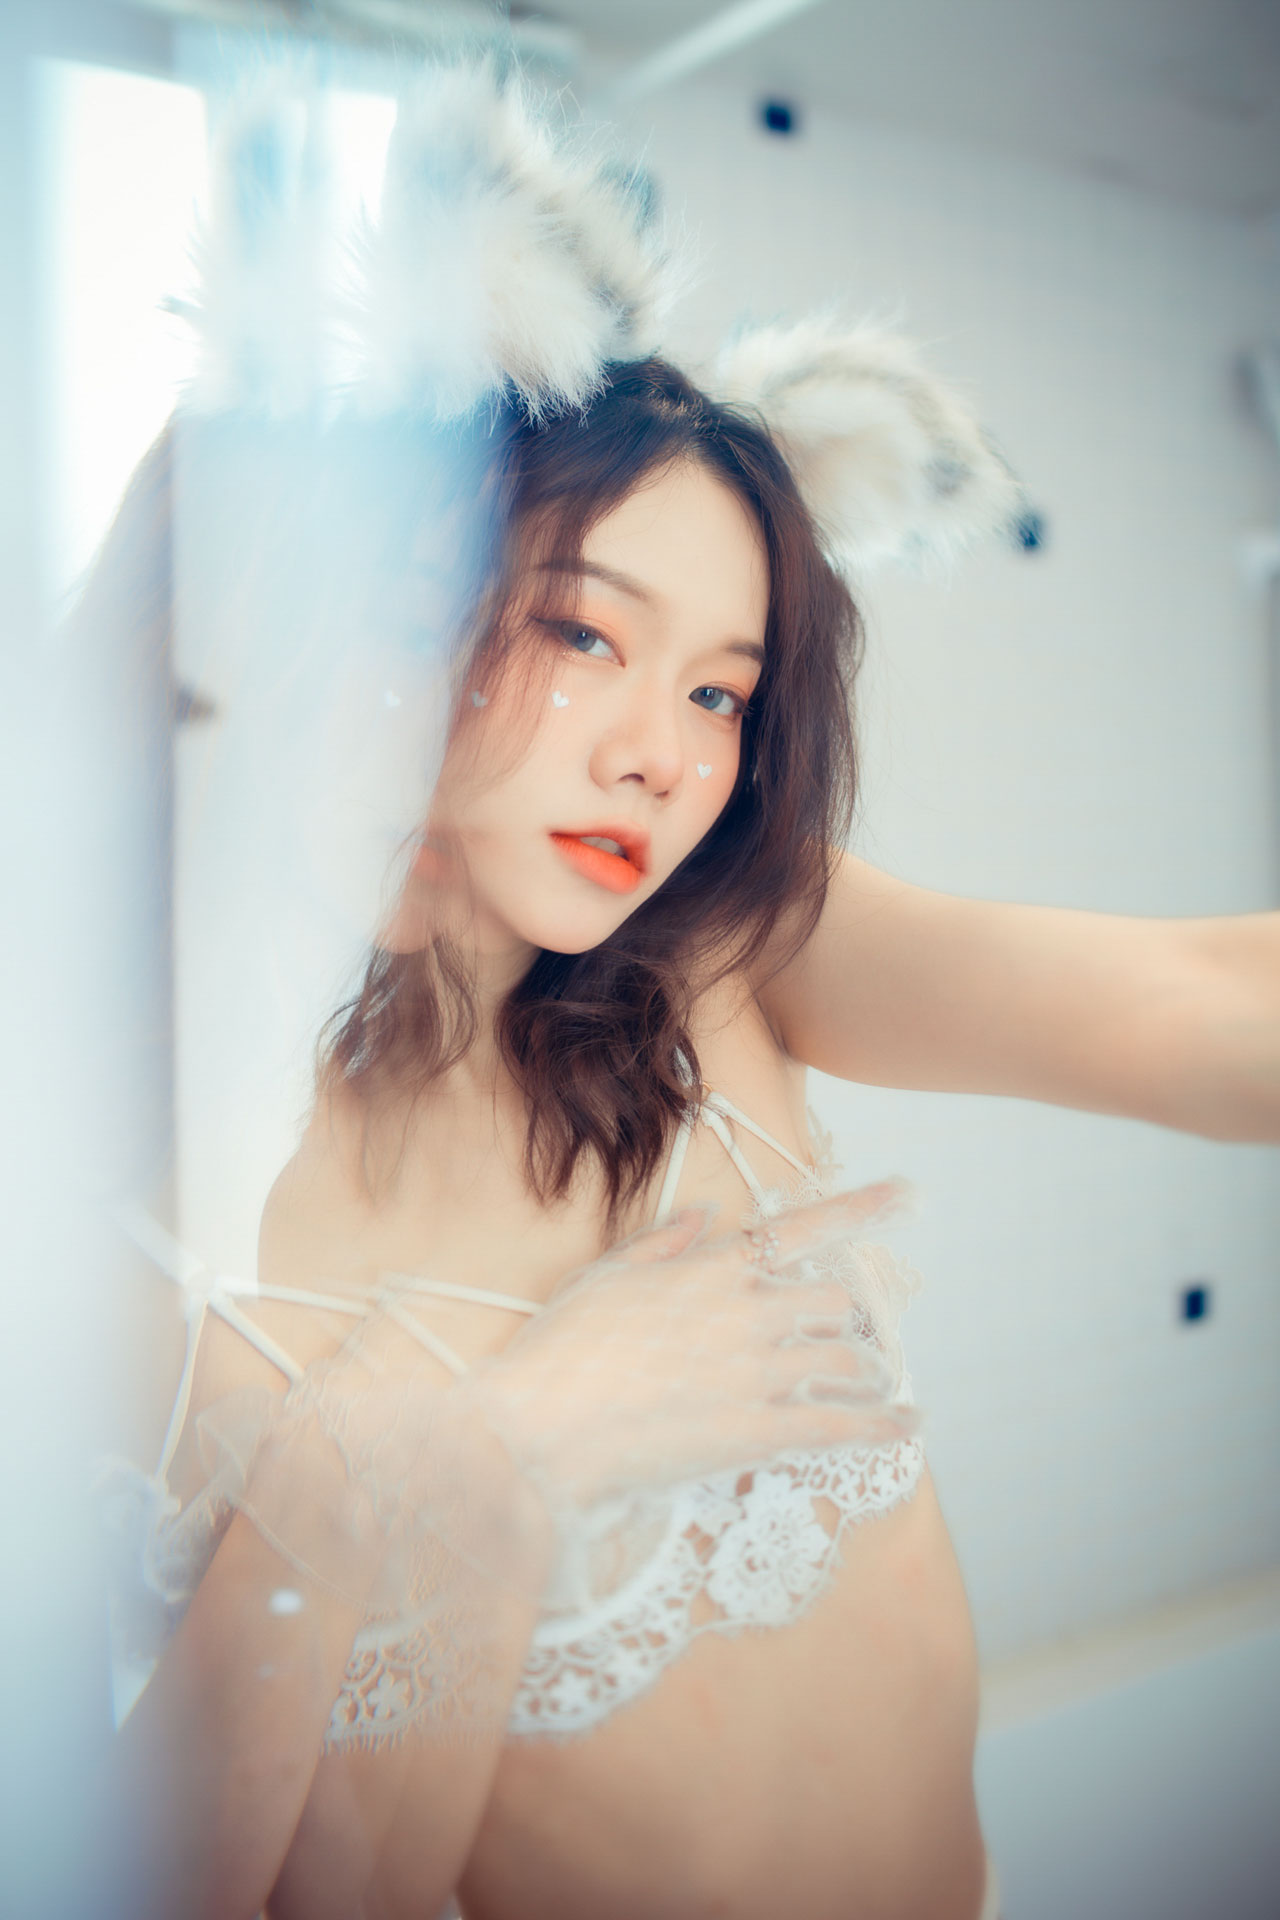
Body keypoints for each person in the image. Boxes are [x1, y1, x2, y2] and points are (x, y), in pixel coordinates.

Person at [90, 59, 1280, 1920]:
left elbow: (1201, 999)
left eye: (721, 688)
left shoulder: (726, 952)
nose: (669, 753)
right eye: (586, 630)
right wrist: (495, 1460)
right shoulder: (153, 1254)